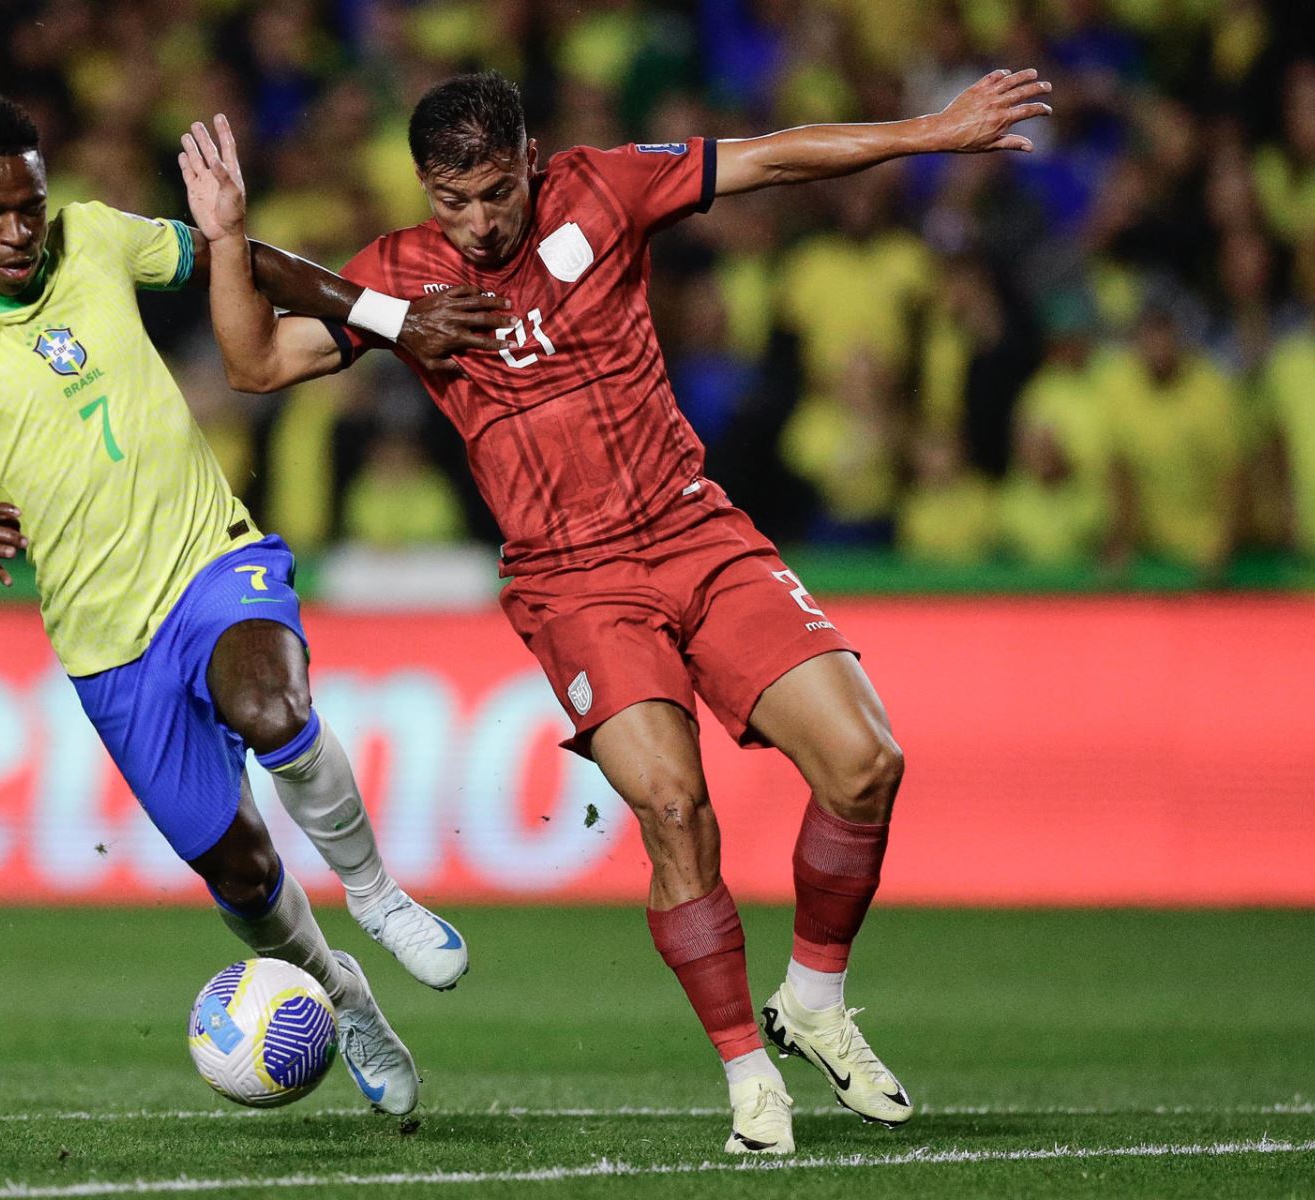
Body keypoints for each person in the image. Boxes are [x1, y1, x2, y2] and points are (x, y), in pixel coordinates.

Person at [180, 64, 1052, 1154]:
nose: (481, 222)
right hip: (573, 579)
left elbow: (773, 154)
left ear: (531, 160)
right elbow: (255, 363)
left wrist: (936, 130)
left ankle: (815, 1001)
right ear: (421, 189)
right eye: (453, 201)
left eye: (497, 191)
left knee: (866, 763)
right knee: (675, 807)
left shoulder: (604, 190)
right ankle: (747, 1077)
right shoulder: (398, 281)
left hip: (695, 530)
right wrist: (226, 239)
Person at [0, 96, 506, 1116]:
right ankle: (345, 1000)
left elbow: (245, 261)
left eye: (28, 206)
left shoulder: (92, 236)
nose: (19, 231)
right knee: (245, 875)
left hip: (212, 562)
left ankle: (380, 896)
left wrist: (382, 317)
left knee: (274, 709)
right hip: (107, 650)